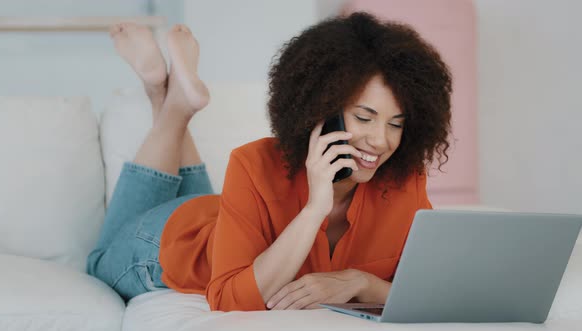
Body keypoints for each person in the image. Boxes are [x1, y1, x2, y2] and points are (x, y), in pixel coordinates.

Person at [87, 12, 452, 312]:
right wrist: (315, 209)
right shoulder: (253, 164)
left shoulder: (405, 182)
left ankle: (169, 97)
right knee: (97, 262)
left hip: (225, 217)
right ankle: (168, 105)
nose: (381, 140)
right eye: (364, 117)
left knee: (221, 222)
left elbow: (435, 296)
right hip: (167, 240)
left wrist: (362, 282)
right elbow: (230, 301)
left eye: (396, 124)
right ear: (323, 110)